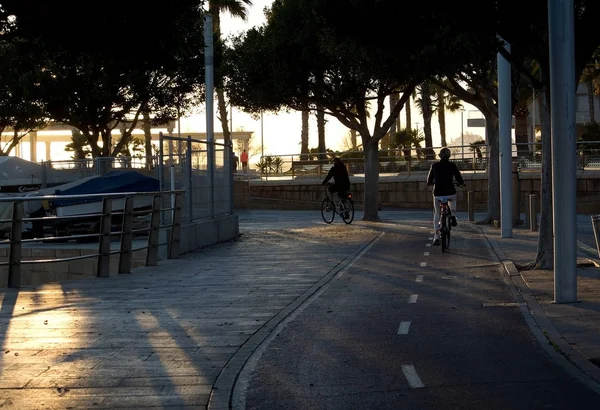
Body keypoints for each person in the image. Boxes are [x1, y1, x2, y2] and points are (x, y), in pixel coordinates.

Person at [426, 146, 465, 246]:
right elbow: (458, 177)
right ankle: (452, 215)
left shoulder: (434, 166)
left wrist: (431, 183)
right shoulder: (452, 165)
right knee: (453, 199)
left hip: (438, 193)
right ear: (449, 156)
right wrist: (462, 183)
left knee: (437, 212)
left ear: (439, 156)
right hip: (450, 191)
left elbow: (429, 180)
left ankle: (436, 236)